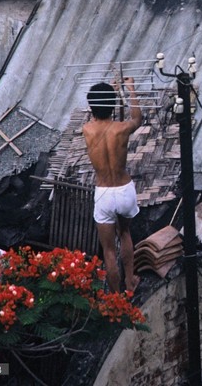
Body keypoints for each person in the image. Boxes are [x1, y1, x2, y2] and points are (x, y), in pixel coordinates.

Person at [83, 78, 142, 293]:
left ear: (91, 106)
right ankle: (130, 281)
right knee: (125, 233)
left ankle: (116, 298)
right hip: (124, 189)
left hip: (104, 193)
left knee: (108, 250)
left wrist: (111, 94)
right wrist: (130, 90)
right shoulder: (122, 128)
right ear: (112, 104)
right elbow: (137, 118)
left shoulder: (87, 130)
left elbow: (97, 116)